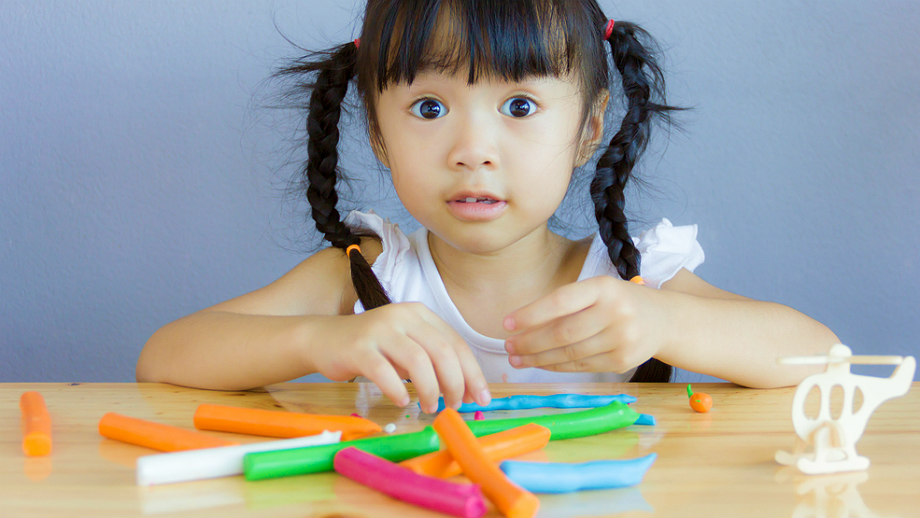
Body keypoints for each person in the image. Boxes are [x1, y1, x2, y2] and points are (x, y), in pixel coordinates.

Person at [136, 0, 839, 414]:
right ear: (377, 133)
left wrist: (666, 321)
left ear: (589, 128)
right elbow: (164, 358)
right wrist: (319, 342)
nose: (472, 150)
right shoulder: (369, 275)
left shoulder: (630, 279)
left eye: (520, 106)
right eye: (429, 108)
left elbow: (824, 358)